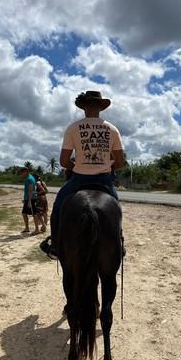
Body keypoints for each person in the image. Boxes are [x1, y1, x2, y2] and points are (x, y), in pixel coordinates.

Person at [40, 90, 125, 258]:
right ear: (101, 108)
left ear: (84, 107)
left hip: (78, 179)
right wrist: (105, 165)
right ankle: (119, 241)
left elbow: (64, 162)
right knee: (116, 208)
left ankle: (56, 245)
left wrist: (79, 164)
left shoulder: (73, 128)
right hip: (104, 180)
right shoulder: (112, 129)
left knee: (58, 208)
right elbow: (120, 162)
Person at [21, 168, 46, 235]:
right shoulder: (28, 178)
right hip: (28, 198)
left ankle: (37, 229)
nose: (21, 174)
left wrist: (29, 201)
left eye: (22, 173)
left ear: (26, 172)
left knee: (35, 214)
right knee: (24, 213)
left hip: (31, 199)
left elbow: (31, 190)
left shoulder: (30, 179)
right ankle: (27, 228)